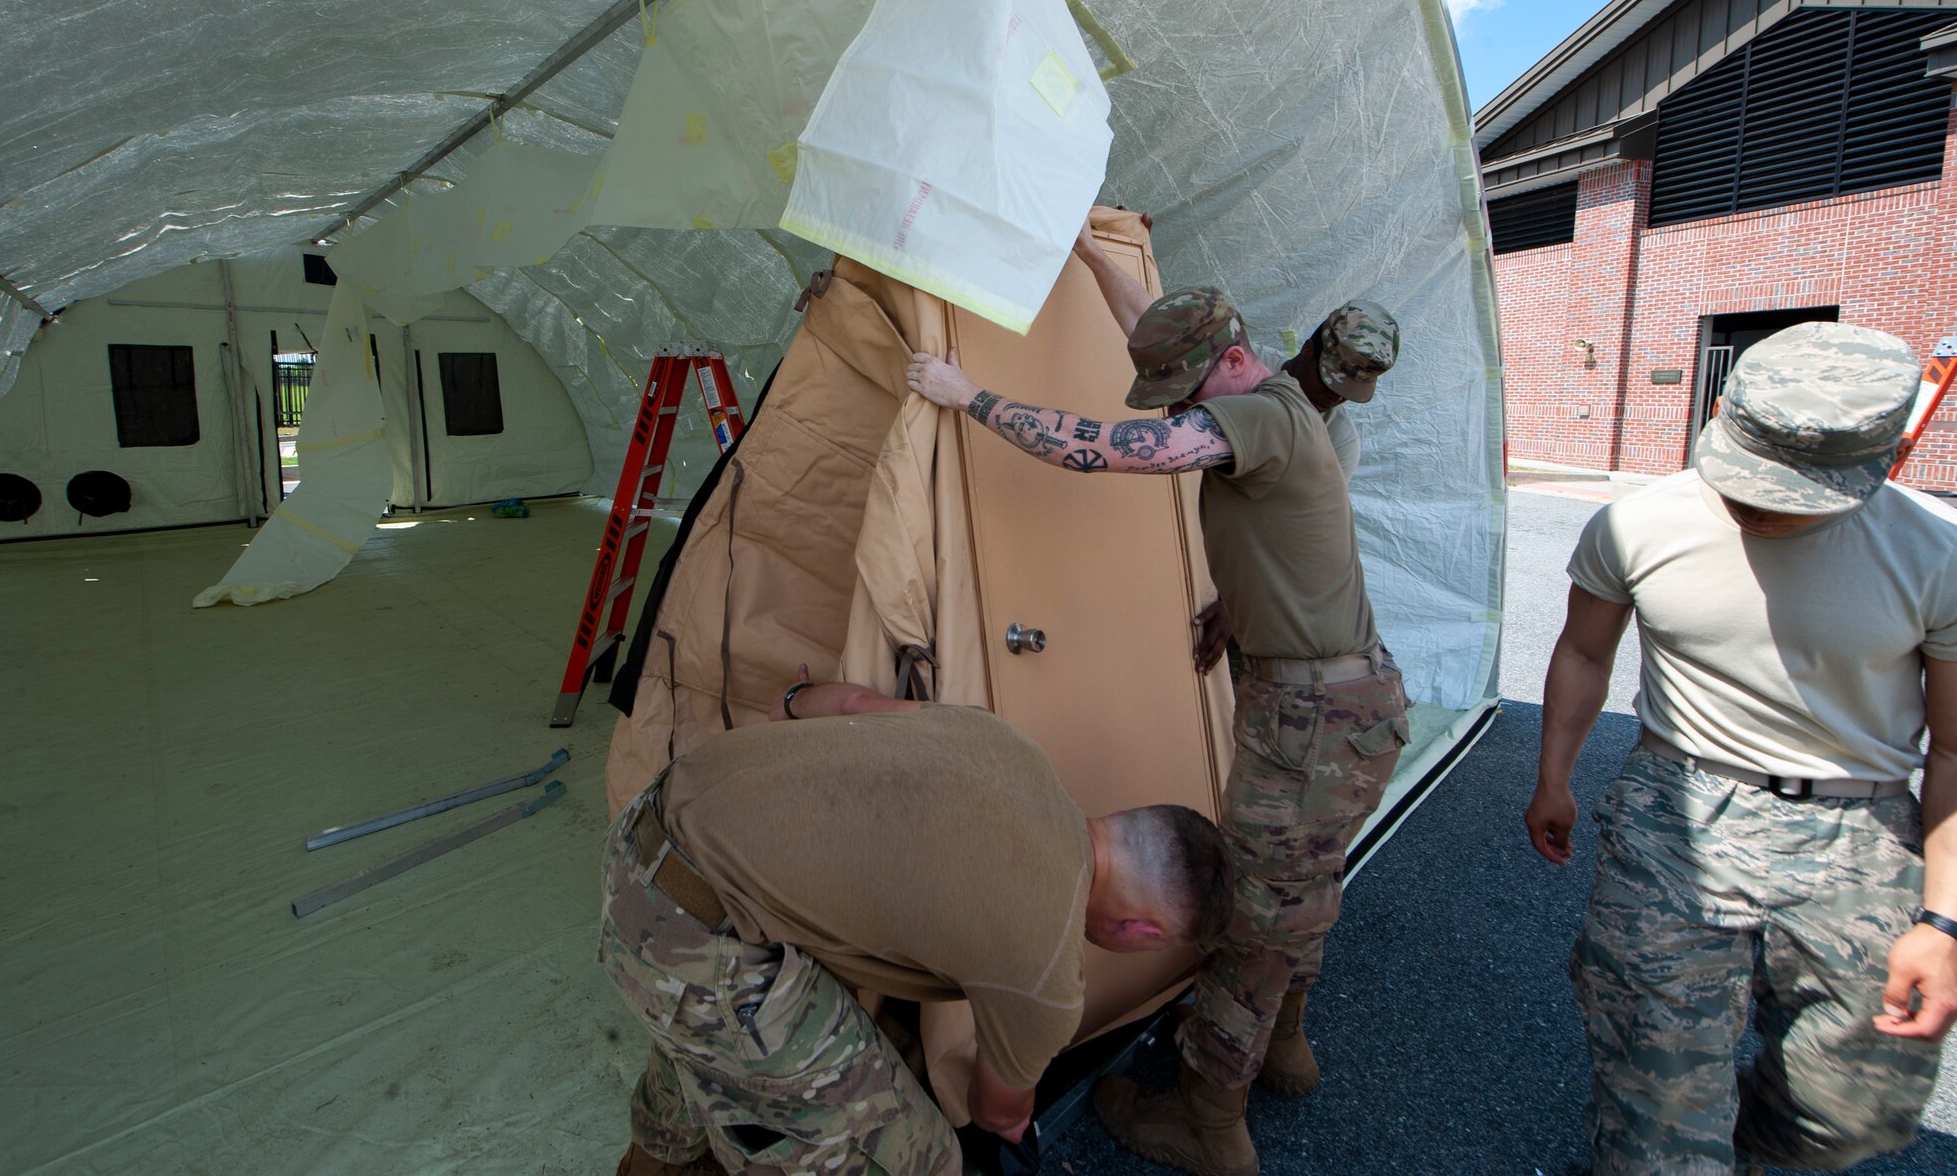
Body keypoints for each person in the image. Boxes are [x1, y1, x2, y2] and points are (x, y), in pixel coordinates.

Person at [905, 226, 1404, 1176]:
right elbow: (1159, 338)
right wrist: (1094, 256)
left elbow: (1108, 449)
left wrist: (969, 395)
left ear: (1233, 360)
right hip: (1346, 702)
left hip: (1308, 724)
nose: (1176, 407)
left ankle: (1211, 1122)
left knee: (1254, 911)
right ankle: (1288, 1050)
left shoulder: (1253, 415)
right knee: (1304, 887)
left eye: (1185, 390)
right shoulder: (1281, 396)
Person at [1523, 322, 1957, 1174]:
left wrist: (1943, 919)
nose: (1760, 505)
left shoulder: (1935, 556)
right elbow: (1581, 651)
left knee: (1849, 1112)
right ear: (1722, 412)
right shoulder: (1635, 525)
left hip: (1862, 835)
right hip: (1675, 814)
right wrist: (1554, 778)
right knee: (1656, 1108)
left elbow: (1954, 750)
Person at [603, 671, 1236, 1176]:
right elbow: (997, 1111)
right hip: (689, 938)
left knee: (718, 1041)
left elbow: (846, 700)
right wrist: (1016, 1123)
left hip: (647, 828)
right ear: (1142, 935)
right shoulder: (1049, 978)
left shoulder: (1009, 743)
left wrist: (791, 700)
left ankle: (662, 1149)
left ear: (1123, 817)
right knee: (927, 1159)